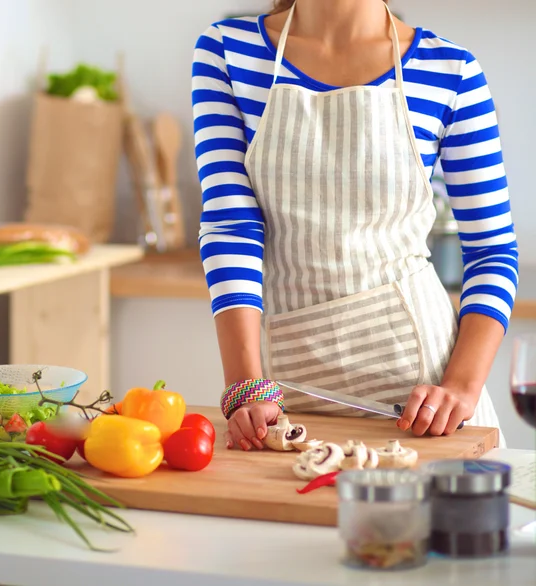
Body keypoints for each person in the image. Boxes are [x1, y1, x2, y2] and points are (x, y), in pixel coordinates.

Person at [191, 0, 518, 451]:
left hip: (423, 400)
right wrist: (246, 386)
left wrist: (461, 386)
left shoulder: (451, 70)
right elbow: (231, 227)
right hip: (284, 400)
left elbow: (492, 250)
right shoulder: (227, 51)